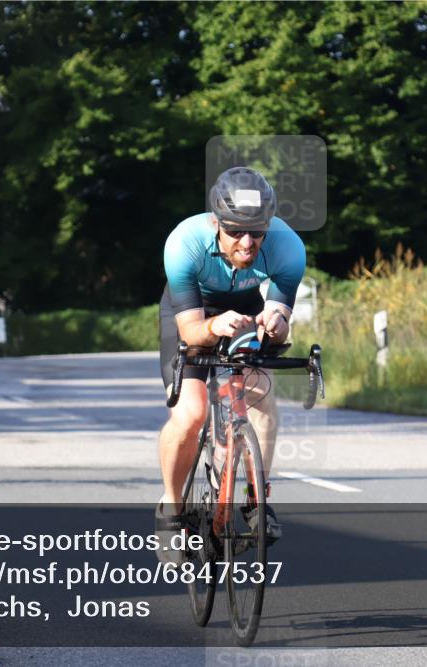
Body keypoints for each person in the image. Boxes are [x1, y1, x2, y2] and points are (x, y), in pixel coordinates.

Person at [156, 167, 306, 556]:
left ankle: (256, 498)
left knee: (261, 401)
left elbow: (280, 324)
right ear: (216, 222)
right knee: (190, 413)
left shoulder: (288, 248)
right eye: (236, 230)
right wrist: (214, 325)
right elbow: (190, 332)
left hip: (244, 307)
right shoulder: (184, 243)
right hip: (193, 310)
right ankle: (172, 511)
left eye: (257, 231)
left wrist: (276, 323)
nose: (247, 241)